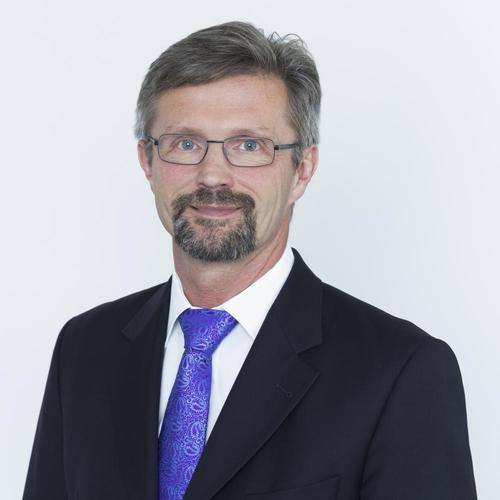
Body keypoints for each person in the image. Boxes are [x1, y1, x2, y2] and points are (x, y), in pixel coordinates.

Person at [23, 21, 477, 500]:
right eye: (185, 143)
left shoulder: (400, 373)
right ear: (147, 161)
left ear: (302, 169)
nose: (213, 175)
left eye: (248, 146)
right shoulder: (84, 351)